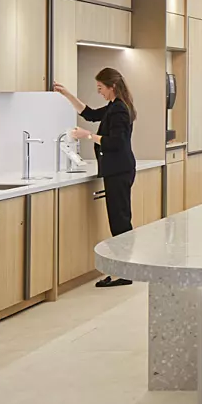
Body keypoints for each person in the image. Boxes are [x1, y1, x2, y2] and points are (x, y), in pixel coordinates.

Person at [53, 68, 138, 287]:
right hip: (117, 170)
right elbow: (90, 113)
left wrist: (88, 135)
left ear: (113, 87)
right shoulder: (115, 107)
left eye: (100, 88)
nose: (98, 92)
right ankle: (122, 270)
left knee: (120, 223)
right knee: (119, 221)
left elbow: (116, 142)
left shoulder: (119, 110)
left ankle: (124, 273)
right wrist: (67, 95)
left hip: (118, 171)